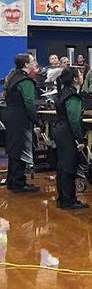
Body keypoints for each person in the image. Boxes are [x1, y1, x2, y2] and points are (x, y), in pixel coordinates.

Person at [2, 53, 40, 193]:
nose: (35, 62)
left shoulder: (13, 77)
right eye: (32, 61)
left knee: (14, 149)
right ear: (26, 65)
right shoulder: (25, 81)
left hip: (10, 117)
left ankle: (12, 181)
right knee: (21, 149)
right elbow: (29, 103)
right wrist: (36, 121)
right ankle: (19, 183)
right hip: (20, 118)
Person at [52, 66, 87, 210]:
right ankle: (68, 200)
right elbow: (74, 119)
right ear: (74, 79)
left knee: (62, 166)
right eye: (80, 74)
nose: (82, 76)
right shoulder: (72, 96)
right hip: (68, 132)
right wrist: (79, 139)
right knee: (68, 166)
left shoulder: (62, 93)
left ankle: (63, 198)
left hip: (60, 130)